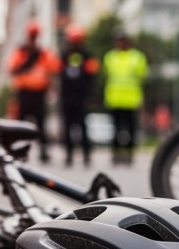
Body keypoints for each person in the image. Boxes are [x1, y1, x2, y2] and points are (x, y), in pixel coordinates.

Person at [8, 19, 60, 163]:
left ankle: (44, 152)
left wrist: (52, 88)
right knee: (20, 125)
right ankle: (19, 151)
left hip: (39, 94)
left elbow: (54, 69)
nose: (33, 38)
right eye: (31, 35)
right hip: (24, 93)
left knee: (41, 124)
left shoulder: (43, 53)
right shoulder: (20, 53)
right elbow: (12, 69)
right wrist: (28, 61)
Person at [102, 31, 148, 164]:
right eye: (117, 40)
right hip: (114, 99)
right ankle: (116, 154)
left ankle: (129, 154)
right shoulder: (110, 56)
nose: (119, 43)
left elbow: (142, 76)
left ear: (127, 41)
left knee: (131, 130)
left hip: (131, 101)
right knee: (115, 130)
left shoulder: (137, 57)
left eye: (121, 40)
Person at [58, 23, 100, 167]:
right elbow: (59, 74)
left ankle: (86, 155)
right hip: (67, 97)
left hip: (81, 97)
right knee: (68, 128)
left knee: (82, 127)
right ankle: (69, 155)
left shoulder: (88, 56)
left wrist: (91, 95)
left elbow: (92, 76)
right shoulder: (63, 56)